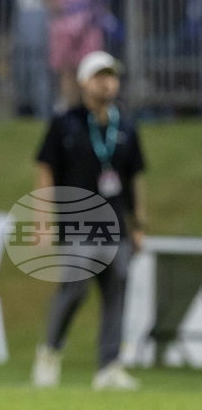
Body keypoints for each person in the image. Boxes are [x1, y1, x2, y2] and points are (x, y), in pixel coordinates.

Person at [32, 51, 148, 391]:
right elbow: (45, 171)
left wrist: (139, 223)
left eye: (111, 76)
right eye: (99, 75)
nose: (106, 82)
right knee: (75, 290)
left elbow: (135, 179)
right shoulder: (64, 123)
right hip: (78, 223)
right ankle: (50, 351)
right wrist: (42, 218)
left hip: (117, 226)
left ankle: (109, 365)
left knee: (117, 291)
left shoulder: (125, 126)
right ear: (84, 81)